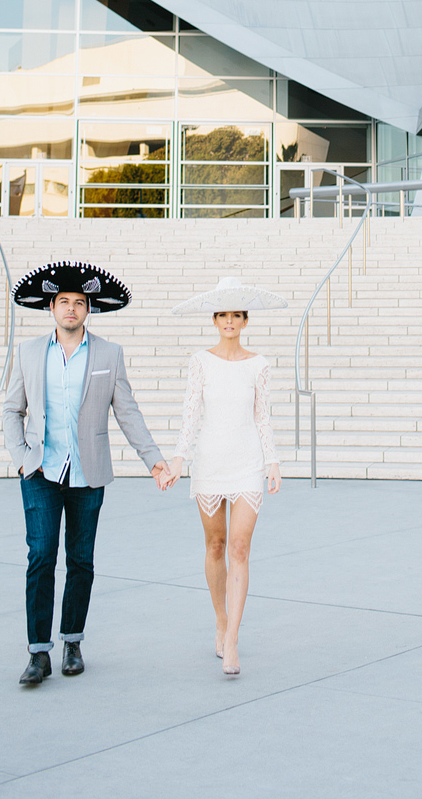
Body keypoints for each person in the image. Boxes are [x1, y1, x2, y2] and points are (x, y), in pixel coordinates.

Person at [1, 260, 175, 687]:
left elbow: (127, 411)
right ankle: (38, 653)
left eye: (79, 303)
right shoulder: (27, 352)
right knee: (41, 557)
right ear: (52, 308)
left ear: (88, 310)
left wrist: (153, 459)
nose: (71, 310)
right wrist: (23, 458)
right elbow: (11, 409)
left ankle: (72, 642)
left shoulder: (108, 354)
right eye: (64, 302)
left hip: (88, 473)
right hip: (41, 472)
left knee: (81, 561)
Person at [162, 276, 287, 676]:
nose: (229, 321)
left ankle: (232, 638)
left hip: (247, 461)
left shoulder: (259, 365)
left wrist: (273, 459)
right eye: (223, 315)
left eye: (236, 315)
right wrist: (180, 457)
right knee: (215, 545)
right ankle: (220, 619)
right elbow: (190, 412)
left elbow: (262, 415)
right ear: (214, 320)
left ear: (245, 321)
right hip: (210, 461)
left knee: (239, 549)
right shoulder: (201, 362)